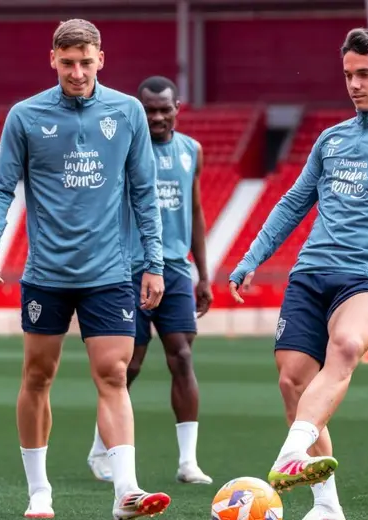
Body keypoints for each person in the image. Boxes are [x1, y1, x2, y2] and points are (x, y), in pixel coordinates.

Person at [227, 27, 368, 520]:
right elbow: (293, 204)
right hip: (310, 272)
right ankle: (326, 507)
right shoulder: (331, 139)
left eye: (364, 74)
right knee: (292, 381)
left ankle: (289, 454)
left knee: (347, 345)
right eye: (348, 74)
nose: (353, 84)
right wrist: (251, 258)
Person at [0, 19, 172, 520]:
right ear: (53, 59)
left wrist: (154, 262)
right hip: (47, 274)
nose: (78, 72)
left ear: (101, 59)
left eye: (86, 62)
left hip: (110, 272)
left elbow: (144, 193)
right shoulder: (25, 116)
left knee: (112, 373)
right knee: (38, 376)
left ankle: (125, 490)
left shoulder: (127, 111)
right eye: (68, 63)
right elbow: (1, 186)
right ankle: (39, 490)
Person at [87, 75, 213, 485]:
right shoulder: (122, 150)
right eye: (149, 110)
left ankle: (187, 462)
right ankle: (100, 446)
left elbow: (194, 212)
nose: (157, 117)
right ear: (137, 110)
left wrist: (204, 274)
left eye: (164, 109)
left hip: (175, 269)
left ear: (179, 106)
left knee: (181, 356)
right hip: (129, 268)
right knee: (128, 364)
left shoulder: (191, 150)